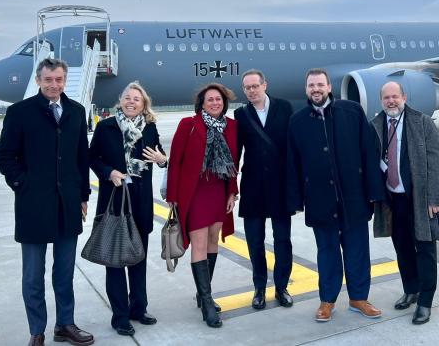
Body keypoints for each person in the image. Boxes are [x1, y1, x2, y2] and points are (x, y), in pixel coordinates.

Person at [0, 58, 94, 346]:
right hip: (33, 206)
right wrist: (21, 184)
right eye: (48, 80)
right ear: (38, 80)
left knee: (64, 274)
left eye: (59, 79)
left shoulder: (76, 111)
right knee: (33, 277)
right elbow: (3, 156)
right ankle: (37, 330)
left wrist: (83, 196)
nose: (54, 85)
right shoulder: (20, 112)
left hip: (67, 205)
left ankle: (65, 325)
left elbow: (80, 158)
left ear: (64, 80)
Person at [286, 68, 385, 323]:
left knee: (357, 251)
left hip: (354, 198)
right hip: (320, 200)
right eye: (311, 85)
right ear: (306, 89)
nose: (316, 89)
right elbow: (292, 164)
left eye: (320, 84)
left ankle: (358, 298)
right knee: (327, 252)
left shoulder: (351, 112)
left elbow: (369, 152)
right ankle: (327, 301)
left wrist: (374, 191)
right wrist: (296, 200)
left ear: (329, 87)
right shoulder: (297, 121)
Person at [88, 81, 167, 336]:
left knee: (138, 257)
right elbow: (92, 158)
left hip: (140, 199)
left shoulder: (150, 128)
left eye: (137, 99)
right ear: (120, 101)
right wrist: (107, 171)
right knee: (115, 259)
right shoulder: (106, 127)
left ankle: (138, 308)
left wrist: (162, 159)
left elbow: (161, 156)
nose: (131, 101)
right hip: (114, 196)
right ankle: (120, 315)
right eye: (127, 98)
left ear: (144, 104)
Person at [370, 81, 439, 325]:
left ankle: (425, 301)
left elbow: (436, 162)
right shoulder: (377, 125)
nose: (391, 101)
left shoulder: (422, 122)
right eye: (386, 98)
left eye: (395, 96)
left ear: (403, 96)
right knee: (401, 247)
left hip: (420, 198)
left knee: (425, 249)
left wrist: (435, 198)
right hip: (394, 200)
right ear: (381, 100)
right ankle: (411, 289)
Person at [166, 83, 239, 328]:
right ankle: (207, 302)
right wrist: (173, 196)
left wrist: (232, 192)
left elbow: (233, 164)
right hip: (195, 193)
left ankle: (202, 292)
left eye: (218, 99)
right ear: (202, 103)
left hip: (218, 191)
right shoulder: (189, 125)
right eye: (210, 100)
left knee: (212, 241)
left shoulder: (231, 126)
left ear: (224, 102)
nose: (215, 103)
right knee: (198, 242)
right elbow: (175, 162)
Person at [234, 69, 294, 310]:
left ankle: (281, 287)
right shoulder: (240, 114)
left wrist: (296, 185)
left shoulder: (285, 108)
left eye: (255, 86)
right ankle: (259, 287)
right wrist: (231, 187)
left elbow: (293, 147)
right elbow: (235, 152)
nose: (251, 91)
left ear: (264, 85)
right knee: (255, 242)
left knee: (282, 240)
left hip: (280, 187)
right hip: (253, 187)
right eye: (247, 88)